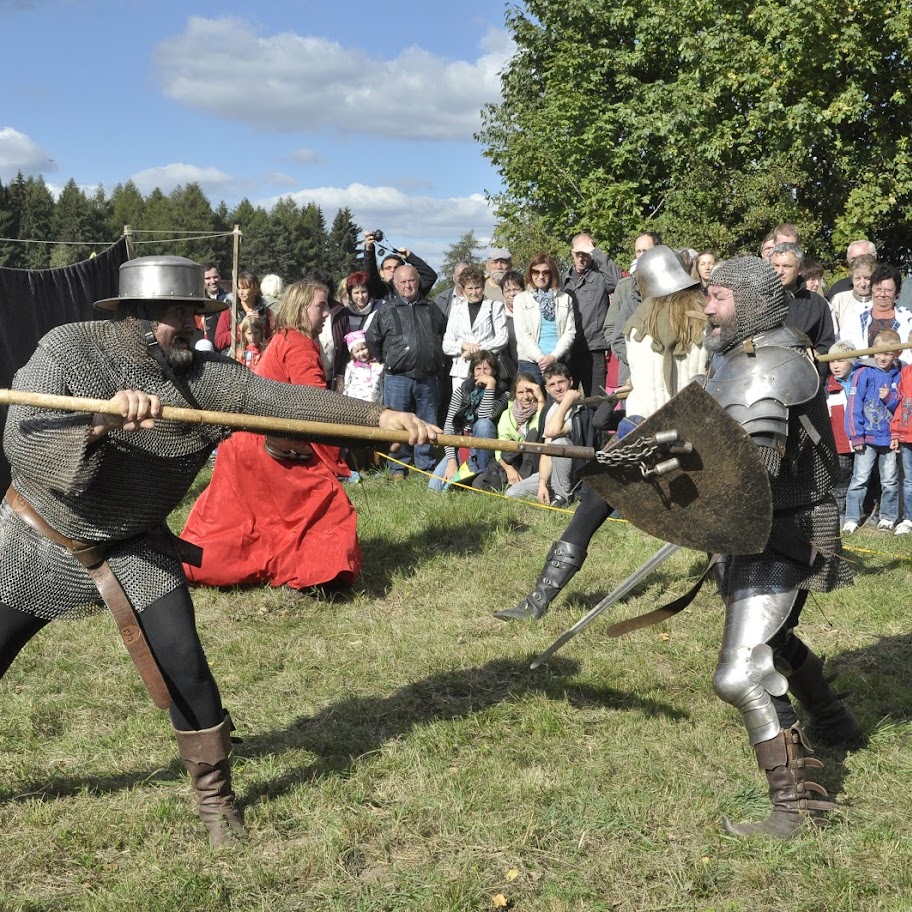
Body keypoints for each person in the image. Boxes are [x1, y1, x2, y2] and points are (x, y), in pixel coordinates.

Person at [0, 256, 432, 848]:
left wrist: (379, 416)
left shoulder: (203, 377)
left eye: (195, 312)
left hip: (135, 547)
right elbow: (24, 441)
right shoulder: (68, 350)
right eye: (175, 314)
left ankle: (215, 798)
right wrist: (101, 423)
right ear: (135, 317)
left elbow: (284, 403)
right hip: (41, 536)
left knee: (188, 668)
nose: (192, 325)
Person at [700, 256, 856, 837]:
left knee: (739, 672)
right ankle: (836, 722)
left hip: (781, 527)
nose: (708, 307)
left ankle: (796, 808)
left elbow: (753, 469)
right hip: (759, 524)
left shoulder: (772, 363)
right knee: (776, 636)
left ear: (751, 300)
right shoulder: (740, 352)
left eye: (717, 296)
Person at [496, 246, 705, 621]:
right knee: (712, 508)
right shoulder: (703, 319)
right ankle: (733, 587)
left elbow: (649, 383)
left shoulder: (641, 322)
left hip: (641, 428)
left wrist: (643, 391)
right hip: (693, 433)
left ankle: (538, 601)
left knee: (592, 508)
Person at [182, 278, 375, 590]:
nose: (326, 314)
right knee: (324, 504)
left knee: (250, 521)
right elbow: (315, 406)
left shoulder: (288, 338)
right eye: (320, 306)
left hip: (251, 444)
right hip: (265, 447)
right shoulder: (297, 345)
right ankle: (322, 577)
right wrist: (366, 427)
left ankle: (290, 570)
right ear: (300, 309)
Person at [366, 263, 447, 478]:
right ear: (395, 284)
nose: (408, 285)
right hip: (397, 377)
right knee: (397, 425)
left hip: (428, 377)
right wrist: (390, 359)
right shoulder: (386, 311)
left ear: (418, 282)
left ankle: (426, 466)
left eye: (411, 280)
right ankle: (397, 467)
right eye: (403, 281)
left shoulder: (431, 309)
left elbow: (443, 333)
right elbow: (372, 339)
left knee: (427, 422)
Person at [843, 329, 902, 533]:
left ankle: (888, 517)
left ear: (897, 354)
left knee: (890, 480)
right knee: (859, 479)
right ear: (872, 352)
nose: (882, 357)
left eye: (887, 353)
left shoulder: (901, 374)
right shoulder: (862, 373)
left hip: (890, 438)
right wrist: (855, 434)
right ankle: (851, 518)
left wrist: (890, 399)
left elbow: (903, 409)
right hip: (866, 438)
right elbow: (854, 405)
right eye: (878, 353)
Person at [428, 350, 509, 492]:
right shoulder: (462, 391)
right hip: (462, 443)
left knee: (483, 425)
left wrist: (490, 386)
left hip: (485, 449)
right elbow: (449, 426)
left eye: (486, 369)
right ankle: (464, 477)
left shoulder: (503, 395)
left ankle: (482, 478)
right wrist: (451, 461)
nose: (482, 373)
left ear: (494, 372)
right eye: (478, 368)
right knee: (434, 488)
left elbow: (485, 415)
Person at [504, 362, 579, 507]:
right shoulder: (550, 410)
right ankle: (550, 490)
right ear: (546, 388)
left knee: (559, 443)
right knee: (512, 493)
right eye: (552, 385)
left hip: (574, 471)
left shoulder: (581, 409)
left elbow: (553, 431)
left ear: (570, 382)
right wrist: (542, 483)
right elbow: (546, 448)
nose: (557, 388)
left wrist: (566, 402)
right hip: (551, 471)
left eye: (561, 382)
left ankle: (562, 496)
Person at [562, 233, 622, 396]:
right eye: (578, 254)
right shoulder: (563, 279)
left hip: (594, 349)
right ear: (572, 253)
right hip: (569, 350)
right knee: (566, 401)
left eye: (586, 254)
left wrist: (595, 251)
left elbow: (617, 282)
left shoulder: (601, 277)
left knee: (596, 401)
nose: (581, 258)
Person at [472, 372, 545, 492]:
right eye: (521, 392)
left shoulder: (543, 410)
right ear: (514, 394)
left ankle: (522, 484)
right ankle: (513, 482)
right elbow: (500, 446)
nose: (526, 397)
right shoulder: (507, 414)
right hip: (512, 462)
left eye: (529, 391)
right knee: (479, 483)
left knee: (533, 434)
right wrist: (509, 469)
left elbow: (540, 430)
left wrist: (541, 399)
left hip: (534, 461)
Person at [512, 254, 576, 387]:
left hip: (558, 361)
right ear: (530, 273)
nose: (540, 276)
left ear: (551, 273)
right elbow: (522, 334)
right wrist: (540, 358)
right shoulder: (520, 299)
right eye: (536, 272)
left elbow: (570, 332)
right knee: (531, 405)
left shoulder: (565, 299)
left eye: (545, 272)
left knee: (558, 406)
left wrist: (553, 356)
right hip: (530, 362)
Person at [442, 264, 508, 391]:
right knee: (460, 407)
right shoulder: (456, 310)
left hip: (486, 367)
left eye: (477, 287)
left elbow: (502, 338)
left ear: (483, 287)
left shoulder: (495, 306)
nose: (474, 292)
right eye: (470, 288)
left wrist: (476, 351)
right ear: (464, 289)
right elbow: (447, 345)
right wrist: (463, 346)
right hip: (461, 370)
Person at [824, 340, 858, 521]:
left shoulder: (862, 380)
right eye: (832, 361)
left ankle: (865, 511)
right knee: (842, 478)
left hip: (863, 440)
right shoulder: (827, 387)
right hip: (840, 443)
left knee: (864, 478)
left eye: (841, 361)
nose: (835, 366)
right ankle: (840, 513)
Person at [363, 230, 437, 302]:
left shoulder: (411, 289)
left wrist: (410, 257)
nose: (392, 270)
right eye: (388, 268)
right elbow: (371, 274)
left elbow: (430, 276)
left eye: (396, 268)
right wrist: (369, 250)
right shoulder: (379, 290)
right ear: (381, 273)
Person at [214, 271, 274, 353]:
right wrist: (240, 328)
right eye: (239, 288)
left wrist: (261, 325)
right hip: (234, 359)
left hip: (259, 359)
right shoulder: (229, 311)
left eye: (245, 288)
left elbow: (273, 339)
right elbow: (219, 342)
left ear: (255, 289)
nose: (241, 292)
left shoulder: (265, 311)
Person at [890, 355, 912, 534]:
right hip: (907, 435)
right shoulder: (906, 372)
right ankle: (909, 518)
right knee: (909, 480)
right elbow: (901, 404)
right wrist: (896, 431)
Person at [830, 254, 875, 337]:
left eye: (867, 278)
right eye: (857, 278)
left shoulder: (880, 301)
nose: (862, 284)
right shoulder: (839, 300)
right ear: (852, 279)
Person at [498, 269, 526, 383]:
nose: (512, 294)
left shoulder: (532, 310)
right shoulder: (498, 314)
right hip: (508, 371)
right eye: (507, 290)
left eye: (516, 289)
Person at [342, 330, 384, 404]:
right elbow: (347, 383)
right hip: (354, 401)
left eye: (363, 349)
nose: (361, 353)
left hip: (373, 401)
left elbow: (381, 384)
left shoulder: (378, 365)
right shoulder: (351, 366)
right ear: (352, 354)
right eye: (357, 351)